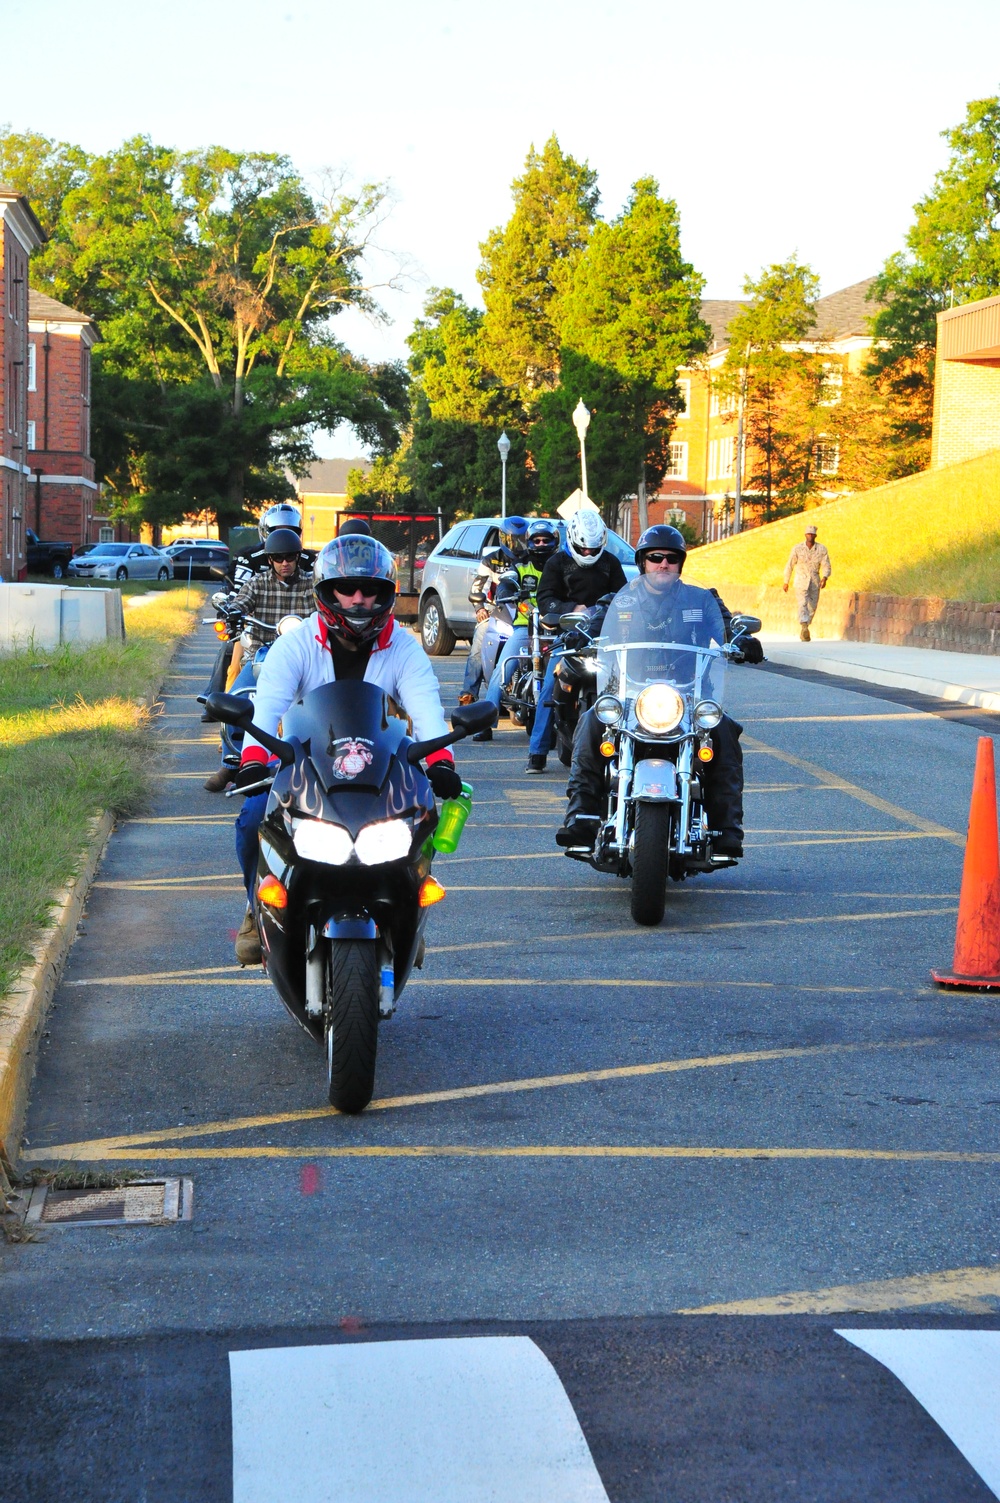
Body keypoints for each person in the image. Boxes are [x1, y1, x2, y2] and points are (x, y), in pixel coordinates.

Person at [228, 534, 463, 964]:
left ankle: (406, 907)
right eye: (347, 588)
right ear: (325, 591)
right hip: (304, 767)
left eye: (370, 589)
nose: (358, 599)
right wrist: (252, 761)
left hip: (379, 768)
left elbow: (427, 709)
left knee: (423, 813)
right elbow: (267, 707)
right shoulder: (294, 644)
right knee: (250, 820)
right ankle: (254, 907)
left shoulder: (404, 647)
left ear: (386, 594)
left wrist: (441, 760)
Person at [555, 524, 745, 857]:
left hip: (690, 695)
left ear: (680, 563)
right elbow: (596, 620)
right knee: (589, 723)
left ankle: (726, 826)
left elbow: (726, 625)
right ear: (643, 561)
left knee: (725, 730)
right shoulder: (621, 598)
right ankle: (581, 816)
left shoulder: (701, 599)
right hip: (629, 695)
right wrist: (577, 634)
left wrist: (742, 639)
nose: (663, 564)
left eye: (671, 558)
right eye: (655, 557)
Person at [203, 529, 316, 792]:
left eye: (290, 556)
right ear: (269, 560)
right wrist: (232, 612)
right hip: (262, 654)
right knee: (234, 699)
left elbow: (327, 604)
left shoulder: (312, 584)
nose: (285, 562)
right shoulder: (257, 583)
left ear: (298, 557)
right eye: (278, 557)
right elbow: (241, 602)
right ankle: (231, 764)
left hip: (304, 657)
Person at [525, 511, 627, 773]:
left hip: (607, 637)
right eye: (583, 547)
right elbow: (545, 598)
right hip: (569, 635)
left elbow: (625, 598)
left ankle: (631, 747)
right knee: (549, 686)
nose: (588, 552)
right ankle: (537, 752)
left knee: (630, 685)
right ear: (572, 540)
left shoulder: (611, 564)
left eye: (593, 548)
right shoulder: (556, 563)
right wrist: (573, 609)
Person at [475, 516, 543, 741]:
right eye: (537, 541)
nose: (540, 545)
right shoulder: (520, 565)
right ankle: (484, 723)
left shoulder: (558, 566)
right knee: (502, 669)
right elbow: (507, 580)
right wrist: (504, 592)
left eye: (546, 541)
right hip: (524, 626)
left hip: (554, 630)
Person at [783, 522, 831, 641]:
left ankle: (805, 626)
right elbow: (790, 565)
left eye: (812, 534)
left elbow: (826, 565)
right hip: (800, 580)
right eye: (808, 534)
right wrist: (786, 581)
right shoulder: (797, 548)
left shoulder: (821, 549)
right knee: (802, 603)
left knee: (812, 606)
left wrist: (825, 577)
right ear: (805, 535)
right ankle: (804, 626)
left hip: (815, 581)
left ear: (815, 536)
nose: (810, 536)